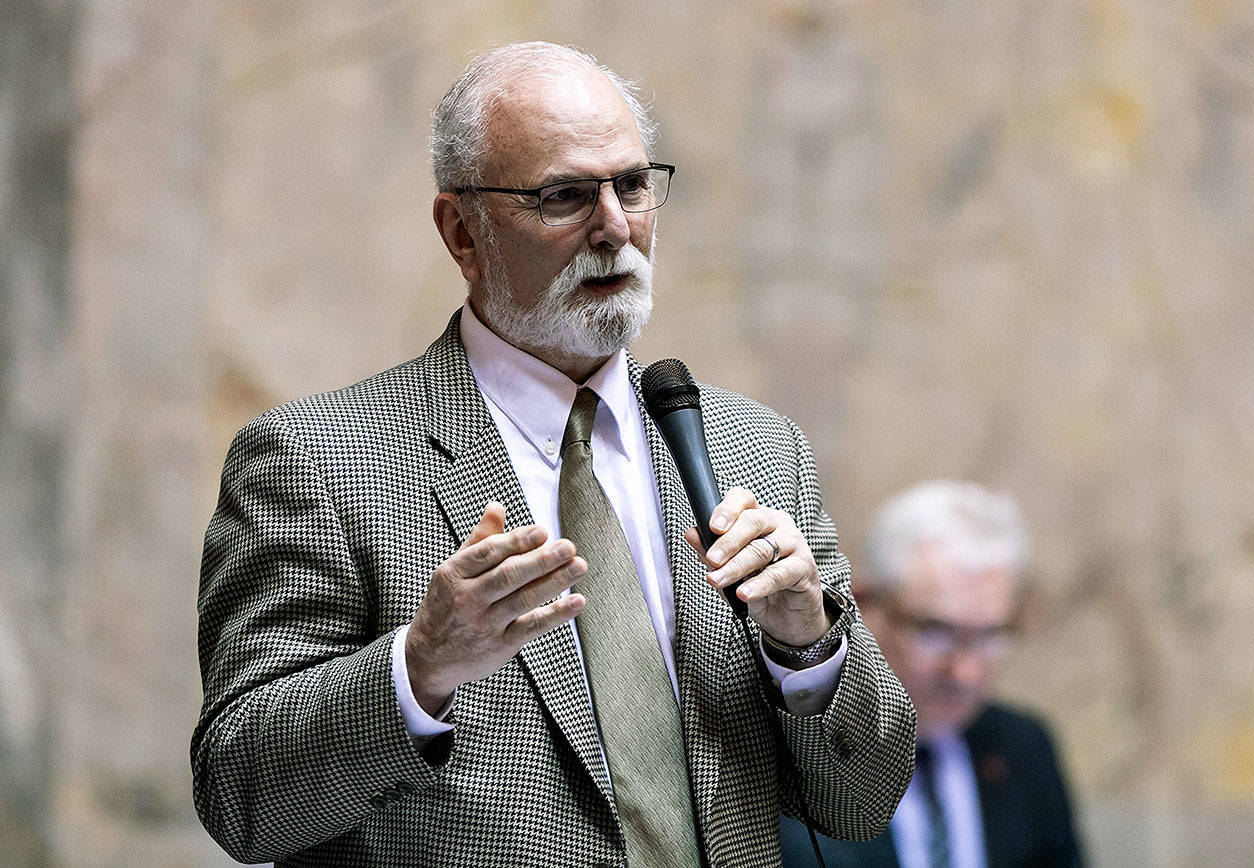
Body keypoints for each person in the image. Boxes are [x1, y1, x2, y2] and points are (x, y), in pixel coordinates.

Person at [192, 41, 914, 867]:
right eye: (564, 196)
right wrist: (417, 668)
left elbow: (864, 799)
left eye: (633, 185)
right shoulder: (316, 461)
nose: (615, 226)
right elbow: (239, 795)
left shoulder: (755, 447)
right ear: (462, 231)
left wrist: (807, 646)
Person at [781, 480, 1084, 867]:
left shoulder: (1023, 747)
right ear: (862, 605)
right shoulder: (799, 754)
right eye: (937, 633)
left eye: (989, 636)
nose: (965, 673)